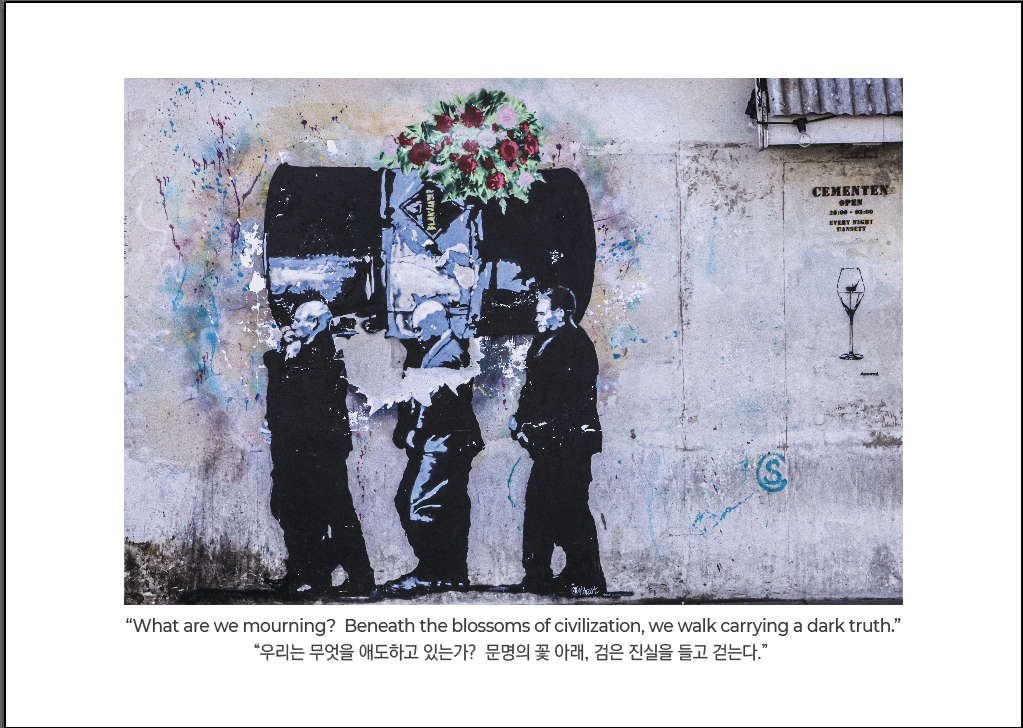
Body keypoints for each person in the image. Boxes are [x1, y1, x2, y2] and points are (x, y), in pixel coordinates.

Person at [262, 300, 376, 596]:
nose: (292, 325)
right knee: (295, 509)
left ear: (314, 323)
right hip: (297, 445)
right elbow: (282, 391)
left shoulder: (325, 352)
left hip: (318, 448)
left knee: (330, 513)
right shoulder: (298, 352)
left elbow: (307, 396)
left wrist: (288, 357)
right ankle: (314, 573)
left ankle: (334, 575)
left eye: (299, 320)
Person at [509, 287, 607, 597]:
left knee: (568, 508)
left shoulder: (576, 346)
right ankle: (541, 575)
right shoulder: (543, 341)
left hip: (570, 442)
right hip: (550, 442)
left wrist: (535, 428)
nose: (536, 317)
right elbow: (533, 391)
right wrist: (520, 420)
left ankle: (584, 576)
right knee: (542, 507)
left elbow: (572, 403)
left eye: (541, 311)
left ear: (560, 313)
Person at [383, 301, 484, 597]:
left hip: (442, 442)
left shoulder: (449, 353)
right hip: (442, 441)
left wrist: (414, 434)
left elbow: (438, 402)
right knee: (445, 507)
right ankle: (450, 574)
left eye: (420, 327)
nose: (416, 333)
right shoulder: (440, 349)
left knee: (417, 505)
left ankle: (431, 572)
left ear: (437, 323)